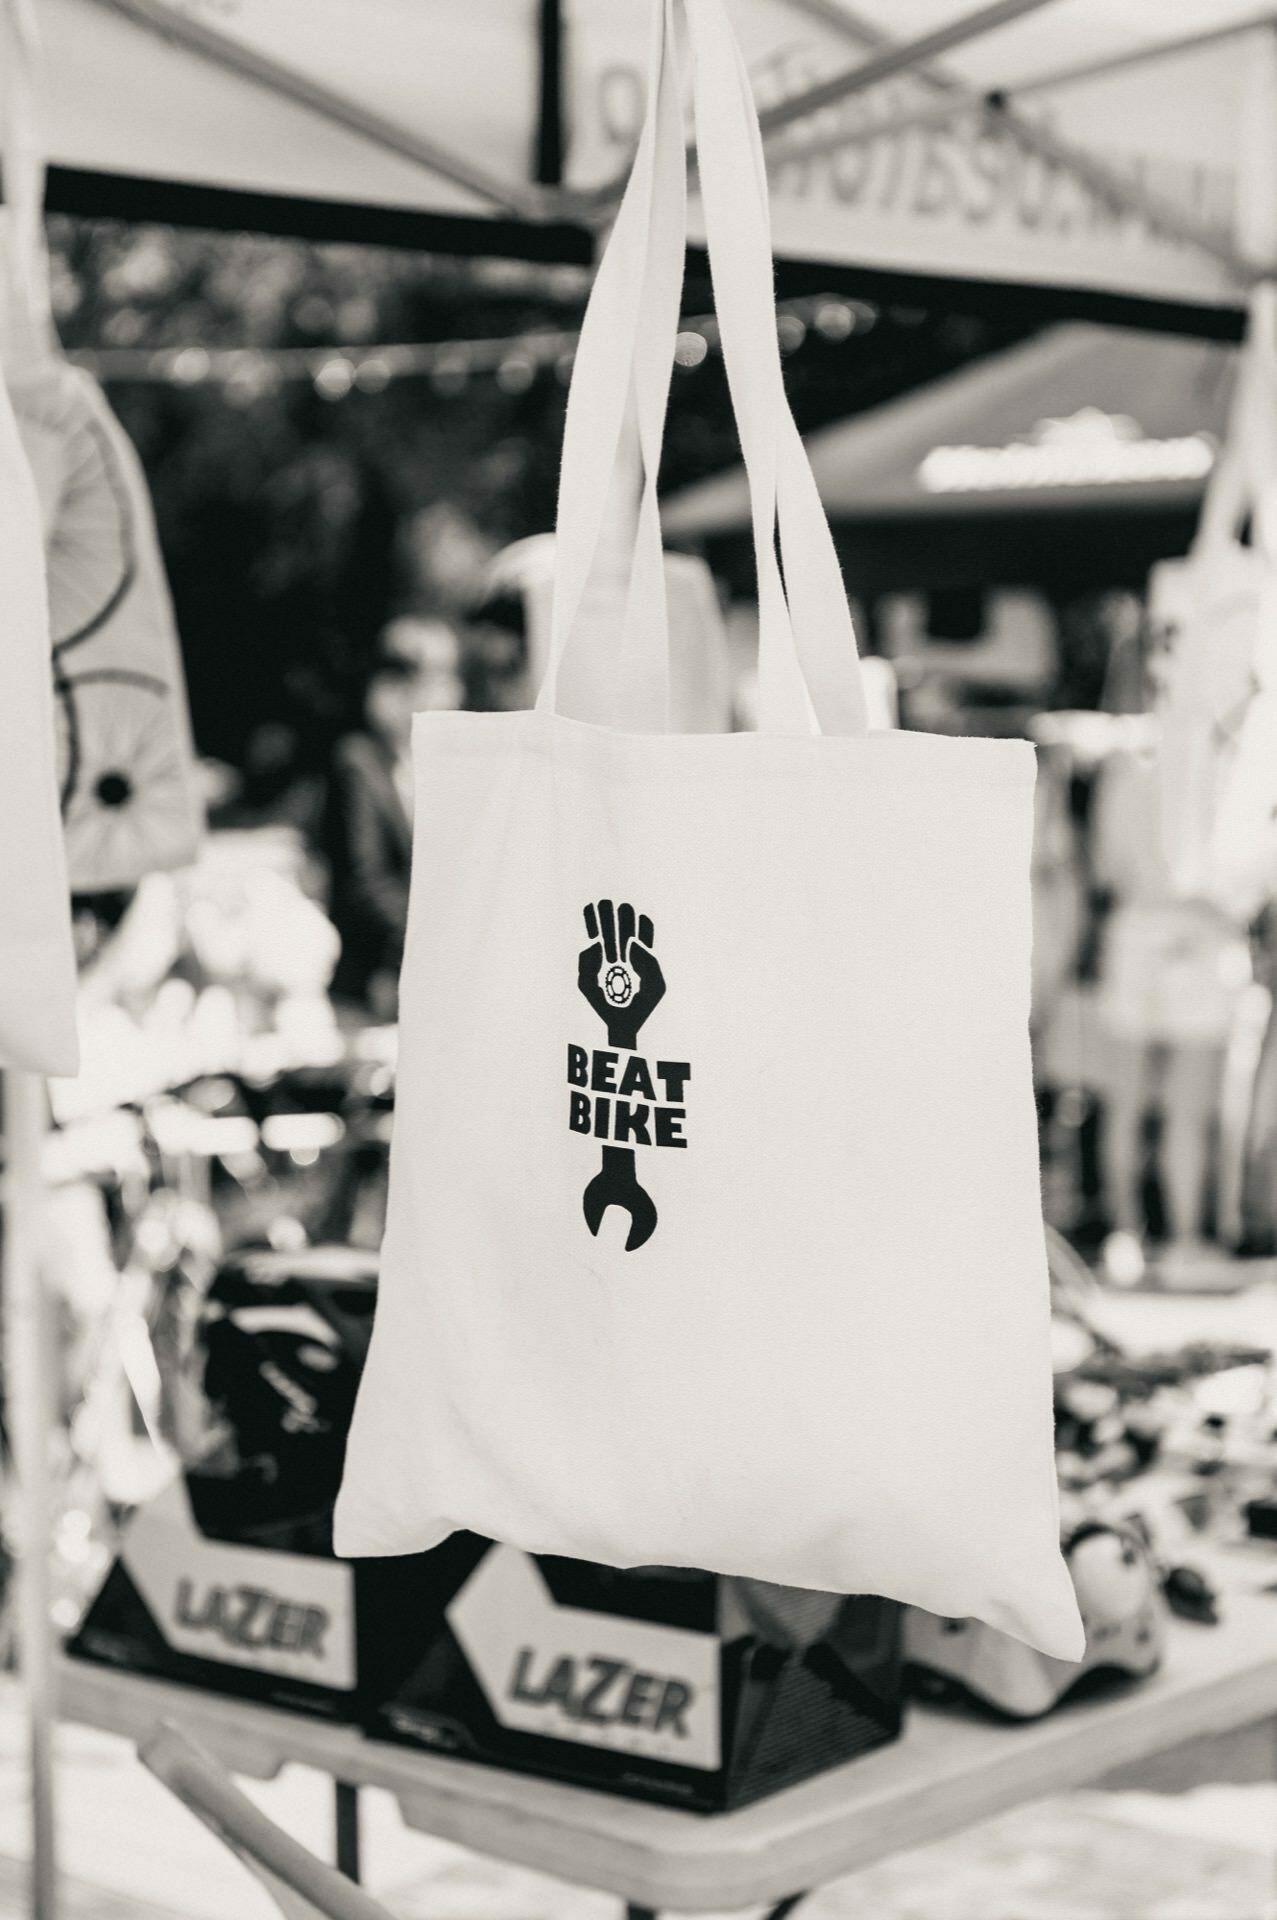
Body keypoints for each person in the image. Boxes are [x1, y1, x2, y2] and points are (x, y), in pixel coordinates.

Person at [322, 628, 459, 1014]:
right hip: (371, 978)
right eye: (433, 682)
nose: (448, 695)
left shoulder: (441, 766)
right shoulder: (357, 762)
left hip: (436, 971)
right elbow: (363, 881)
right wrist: (429, 938)